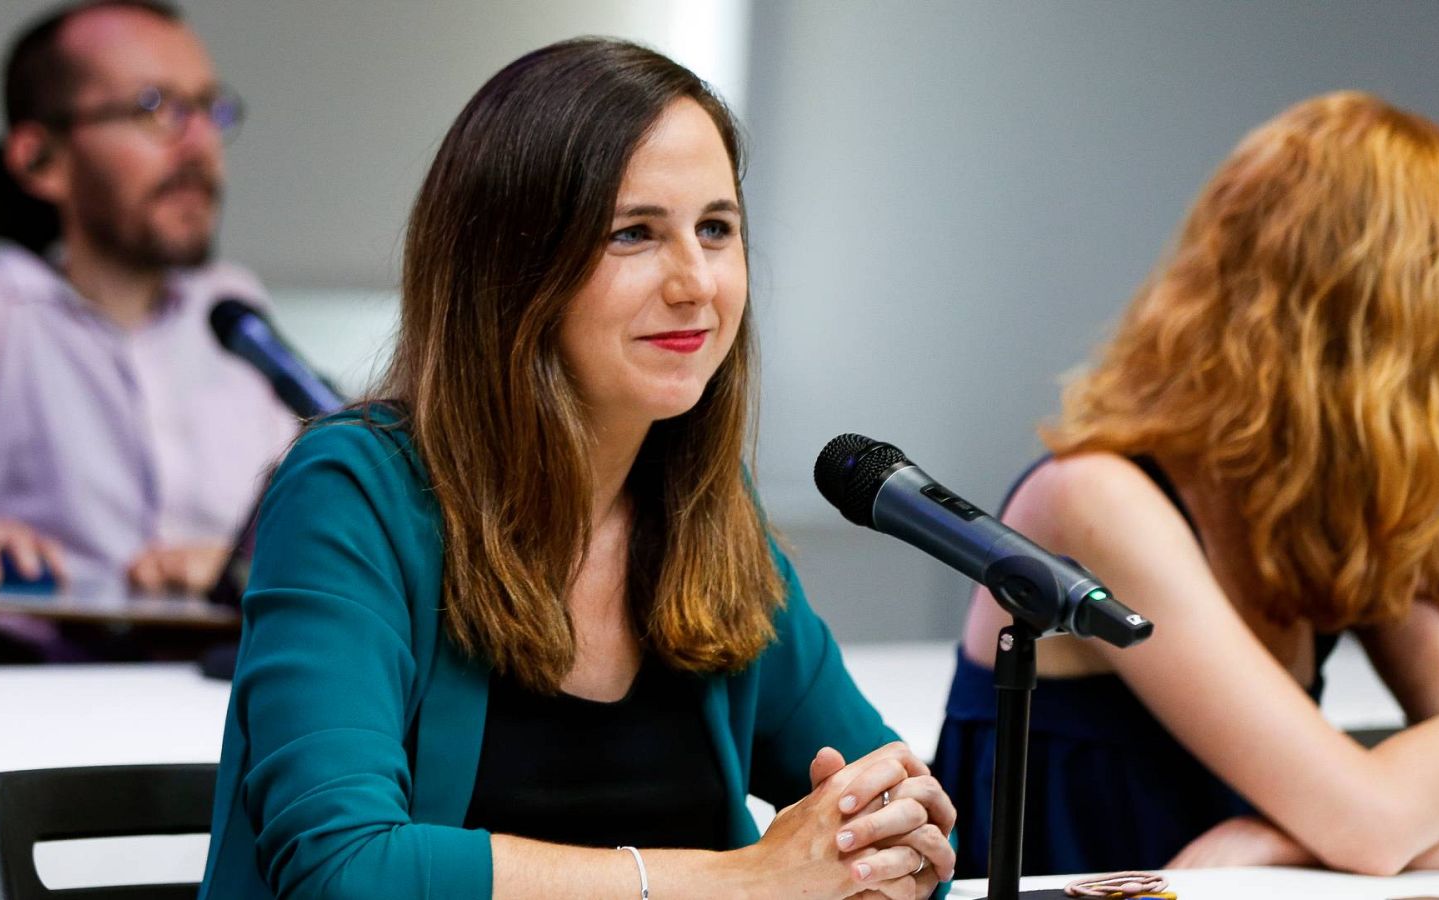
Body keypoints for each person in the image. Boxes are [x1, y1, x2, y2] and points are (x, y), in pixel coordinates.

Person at [199, 38, 956, 900]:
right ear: (513, 270)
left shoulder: (705, 507)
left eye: (716, 229)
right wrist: (741, 880)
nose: (696, 283)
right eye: (634, 233)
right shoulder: (354, 494)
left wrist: (895, 845)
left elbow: (881, 798)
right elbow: (345, 869)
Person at [936, 91, 1439, 878]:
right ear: (1380, 328)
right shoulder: (1092, 503)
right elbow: (1374, 825)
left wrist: (1282, 841)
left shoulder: (1324, 509)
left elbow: (1420, 818)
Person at [0, 1, 299, 659]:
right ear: (41, 160)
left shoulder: (234, 308)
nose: (199, 142)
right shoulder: (7, 306)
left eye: (209, 109)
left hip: (228, 673)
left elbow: (325, 498)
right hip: (45, 679)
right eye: (156, 108)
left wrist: (244, 563)